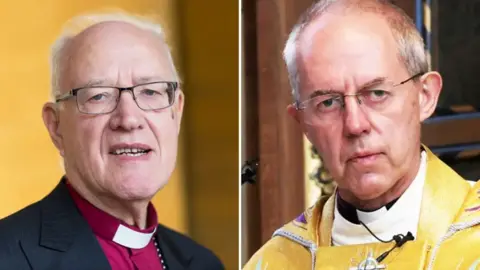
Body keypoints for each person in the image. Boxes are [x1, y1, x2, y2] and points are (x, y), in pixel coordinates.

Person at [244, 0, 480, 269]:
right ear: (303, 124)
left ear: (425, 96)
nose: (355, 125)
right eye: (328, 103)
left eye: (377, 94)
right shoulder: (274, 262)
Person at [0, 13, 224, 270]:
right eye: (99, 96)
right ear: (56, 126)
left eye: (150, 91)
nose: (128, 119)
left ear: (177, 112)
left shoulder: (203, 264)